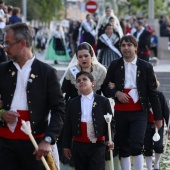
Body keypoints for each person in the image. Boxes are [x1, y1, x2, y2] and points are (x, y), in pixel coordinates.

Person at [0, 23, 65, 169]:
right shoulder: (2, 70)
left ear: (22, 43)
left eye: (8, 43)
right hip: (4, 143)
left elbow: (59, 109)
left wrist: (48, 139)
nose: (5, 48)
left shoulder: (47, 72)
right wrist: (1, 113)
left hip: (35, 144)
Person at [102, 34, 162, 170]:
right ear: (120, 48)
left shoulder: (145, 66)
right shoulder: (114, 65)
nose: (126, 48)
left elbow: (153, 93)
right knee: (123, 146)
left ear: (136, 48)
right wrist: (116, 92)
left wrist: (158, 117)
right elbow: (105, 88)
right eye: (123, 45)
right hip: (121, 112)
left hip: (139, 112)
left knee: (136, 144)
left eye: (129, 45)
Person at [63, 71, 115, 170]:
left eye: (84, 79)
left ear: (92, 83)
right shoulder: (72, 102)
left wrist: (109, 139)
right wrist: (66, 146)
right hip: (79, 145)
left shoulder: (103, 101)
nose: (81, 82)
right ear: (76, 85)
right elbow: (68, 125)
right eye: (78, 81)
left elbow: (110, 123)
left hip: (97, 145)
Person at [144, 80, 169, 170]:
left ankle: (156, 163)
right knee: (147, 147)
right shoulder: (143, 97)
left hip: (159, 125)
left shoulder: (160, 95)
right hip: (146, 124)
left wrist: (168, 126)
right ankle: (149, 167)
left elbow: (166, 112)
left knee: (158, 146)